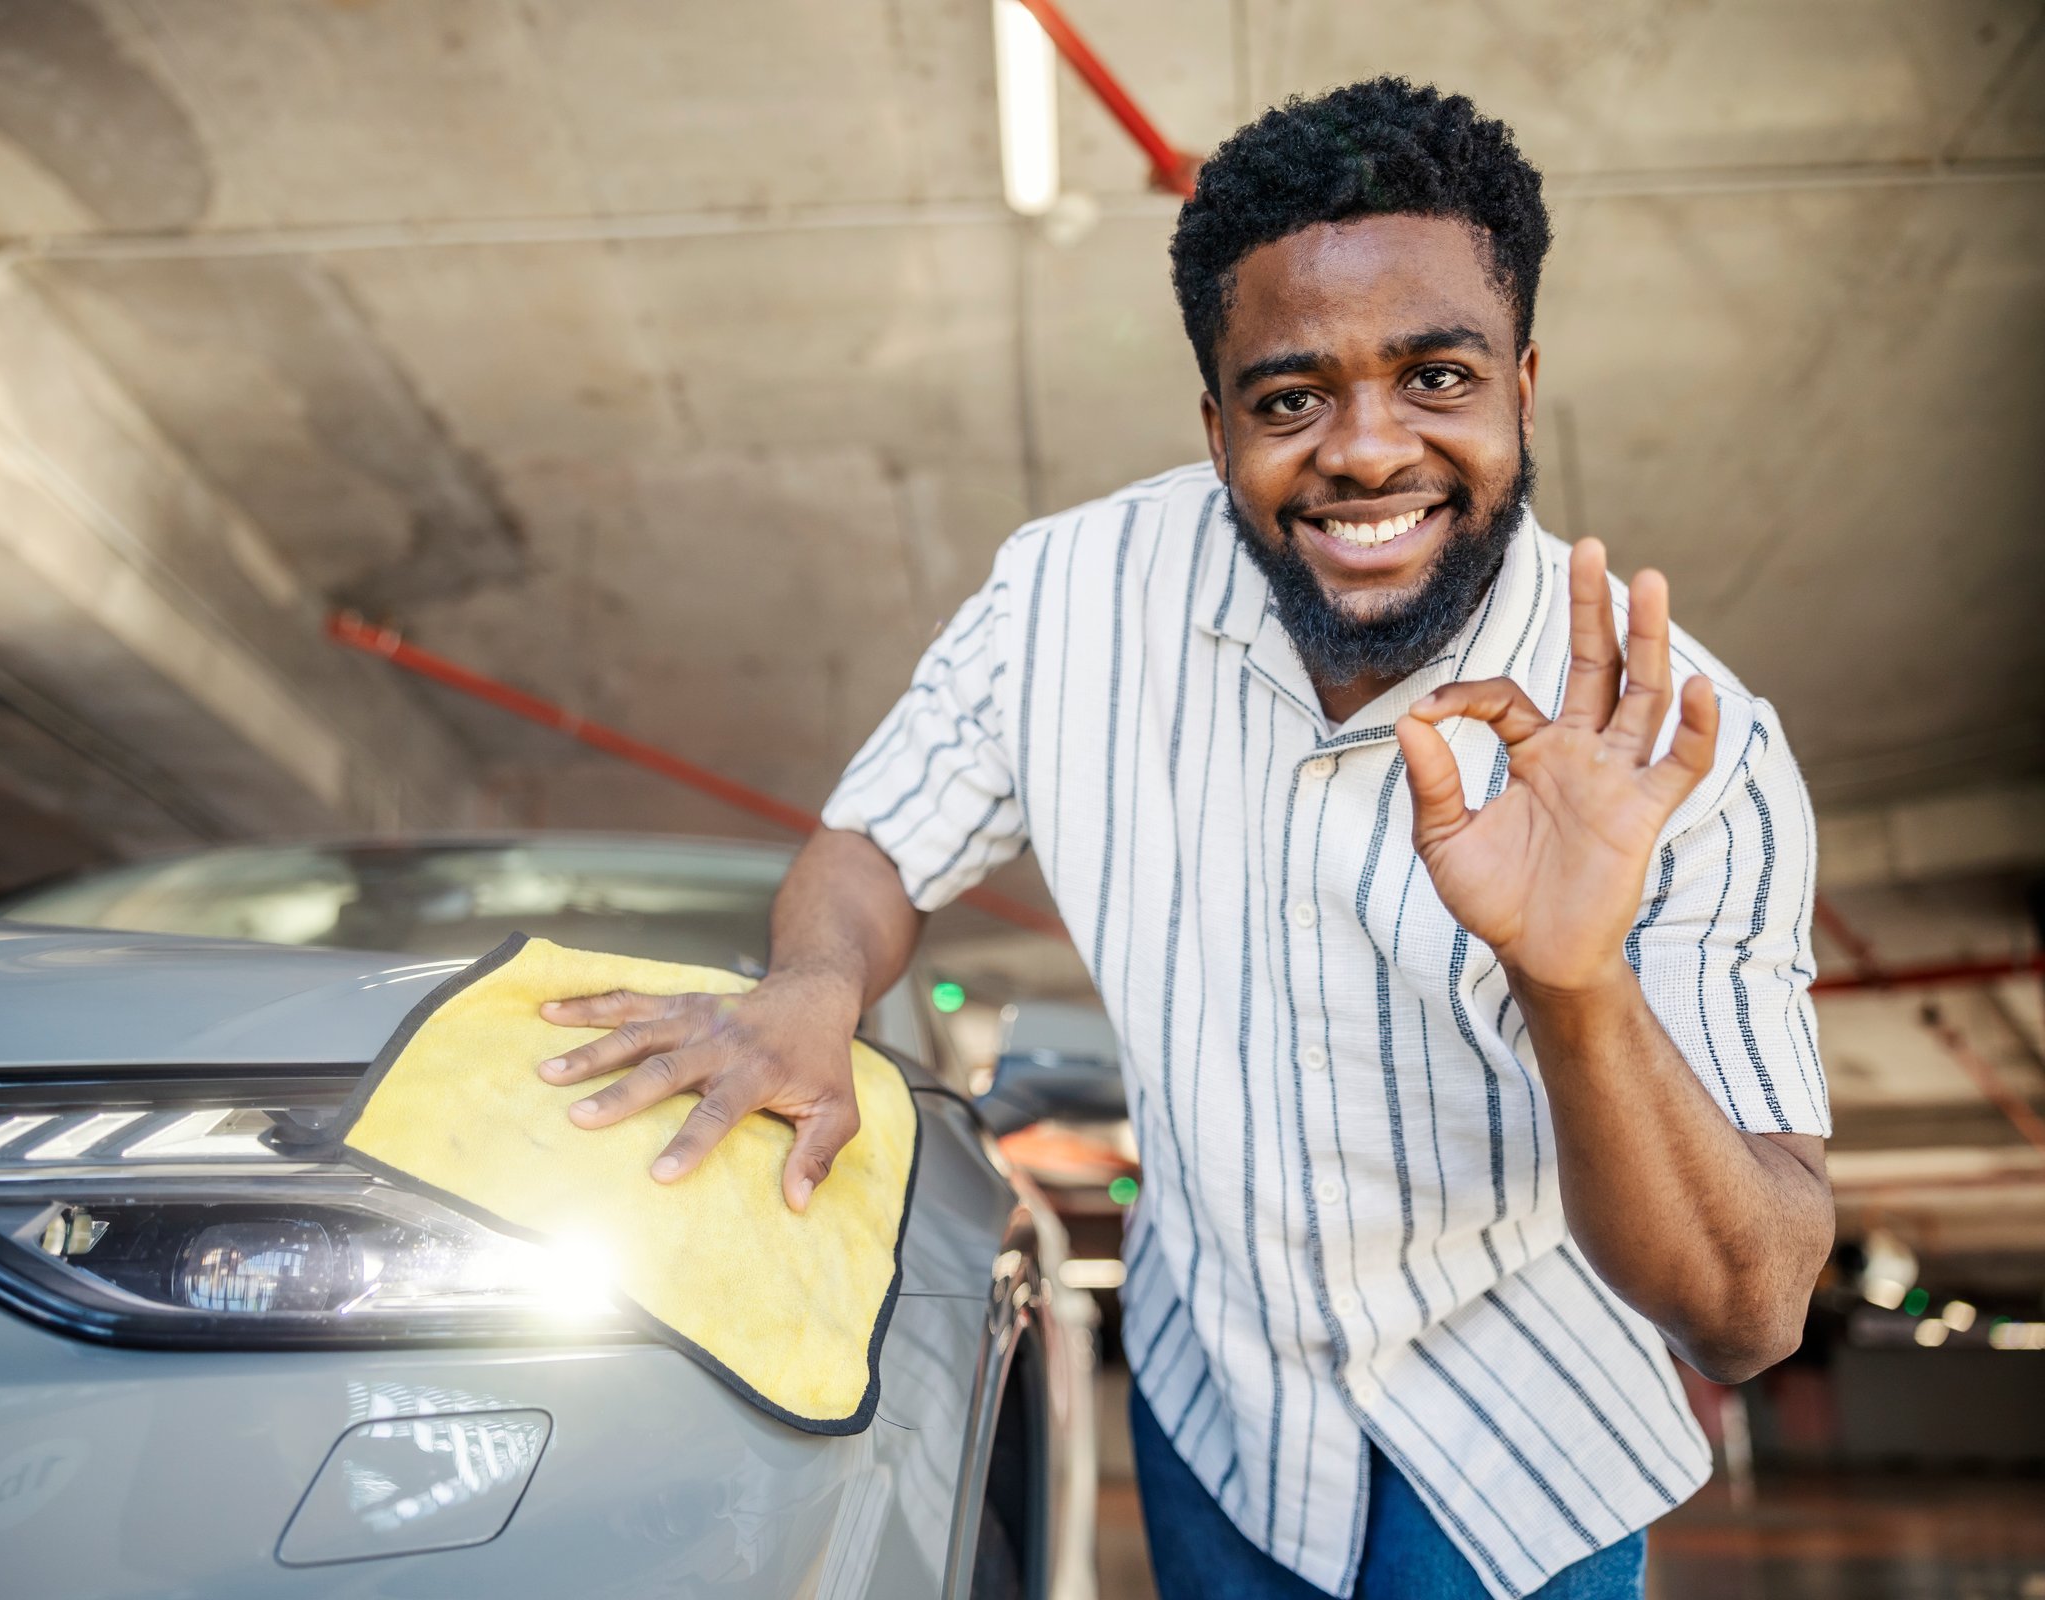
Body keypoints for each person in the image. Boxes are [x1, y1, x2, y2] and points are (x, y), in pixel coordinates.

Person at [533, 78, 1832, 1599]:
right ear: (1217, 427)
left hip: (1519, 1454)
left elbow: (1751, 1312)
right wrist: (816, 990)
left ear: (1523, 387)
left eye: (1435, 376)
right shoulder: (1069, 597)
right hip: (1217, 1422)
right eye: (1291, 400)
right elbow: (872, 844)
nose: (1363, 451)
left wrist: (1576, 982)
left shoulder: (1696, 755)